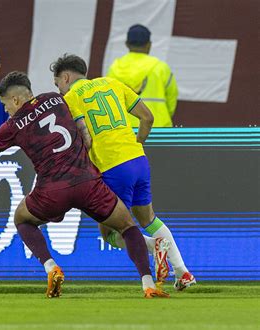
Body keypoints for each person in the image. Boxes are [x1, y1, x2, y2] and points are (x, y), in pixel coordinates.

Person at [0, 71, 169, 299]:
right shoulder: (58, 99)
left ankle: (51, 267)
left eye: (6, 105)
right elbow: (84, 132)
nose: (6, 110)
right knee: (127, 225)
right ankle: (148, 285)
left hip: (52, 191)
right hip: (87, 183)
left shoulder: (13, 125)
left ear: (16, 101)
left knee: (22, 219)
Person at [50, 54, 196, 291]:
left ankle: (154, 245)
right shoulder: (112, 83)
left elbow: (84, 139)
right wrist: (137, 144)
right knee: (148, 218)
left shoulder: (71, 98)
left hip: (112, 168)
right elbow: (148, 117)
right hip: (138, 160)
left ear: (65, 77)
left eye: (58, 84)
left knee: (111, 232)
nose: (60, 90)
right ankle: (183, 273)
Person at [107, 24, 178, 127]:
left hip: (124, 129)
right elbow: (172, 97)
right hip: (158, 128)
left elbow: (108, 99)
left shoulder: (115, 68)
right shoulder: (161, 67)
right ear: (149, 44)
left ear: (127, 44)